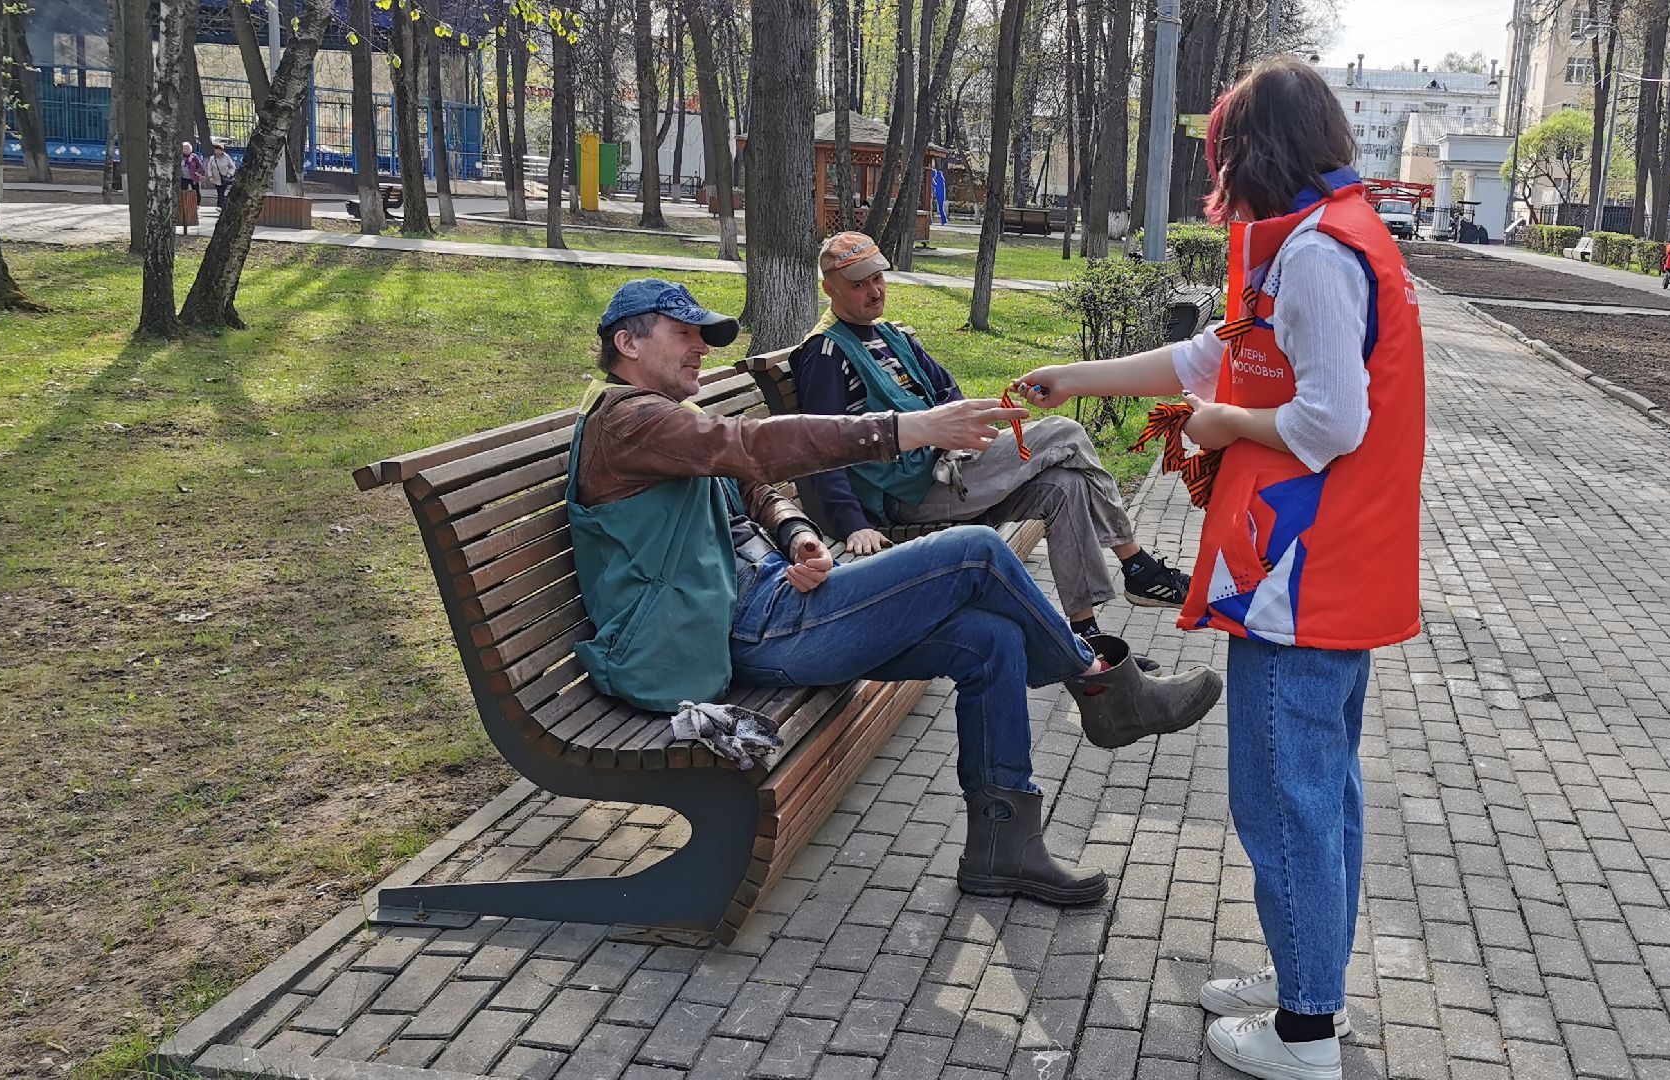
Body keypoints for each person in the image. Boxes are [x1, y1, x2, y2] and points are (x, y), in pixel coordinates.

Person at [1013, 56, 1425, 1080]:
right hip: (1303, 567)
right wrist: (1078, 377)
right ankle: (1306, 982)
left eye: (1226, 152)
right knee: (1312, 795)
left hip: (1305, 574)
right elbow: (1209, 356)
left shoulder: (1322, 257)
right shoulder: (1308, 245)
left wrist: (1216, 426)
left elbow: (1329, 422)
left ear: (1254, 152)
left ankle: (1304, 1033)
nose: (1219, 172)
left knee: (1284, 801)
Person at [570, 277, 1224, 906]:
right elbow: (749, 444)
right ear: (628, 344)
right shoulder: (627, 423)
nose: (700, 347)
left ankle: (1003, 847)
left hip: (775, 600)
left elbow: (749, 483)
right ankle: (1102, 685)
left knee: (989, 640)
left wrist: (796, 532)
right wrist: (908, 430)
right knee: (977, 553)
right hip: (752, 627)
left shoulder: (662, 419)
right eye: (683, 333)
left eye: (703, 334)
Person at [787, 231, 1194, 669]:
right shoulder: (826, 353)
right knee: (1065, 431)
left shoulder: (892, 336)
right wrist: (852, 524)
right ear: (828, 286)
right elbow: (821, 448)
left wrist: (994, 410)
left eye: (877, 278)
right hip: (913, 492)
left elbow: (950, 396)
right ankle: (1137, 566)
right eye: (858, 284)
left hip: (954, 465)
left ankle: (1085, 632)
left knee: (1066, 485)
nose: (874, 291)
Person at [205, 142, 237, 207]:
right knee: (219, 192)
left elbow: (232, 167)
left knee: (221, 192)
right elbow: (209, 168)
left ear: (222, 150)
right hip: (216, 178)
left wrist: (229, 174)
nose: (217, 152)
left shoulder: (226, 157)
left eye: (218, 150)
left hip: (224, 178)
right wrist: (210, 176)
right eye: (215, 150)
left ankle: (220, 205)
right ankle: (221, 204)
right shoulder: (212, 158)